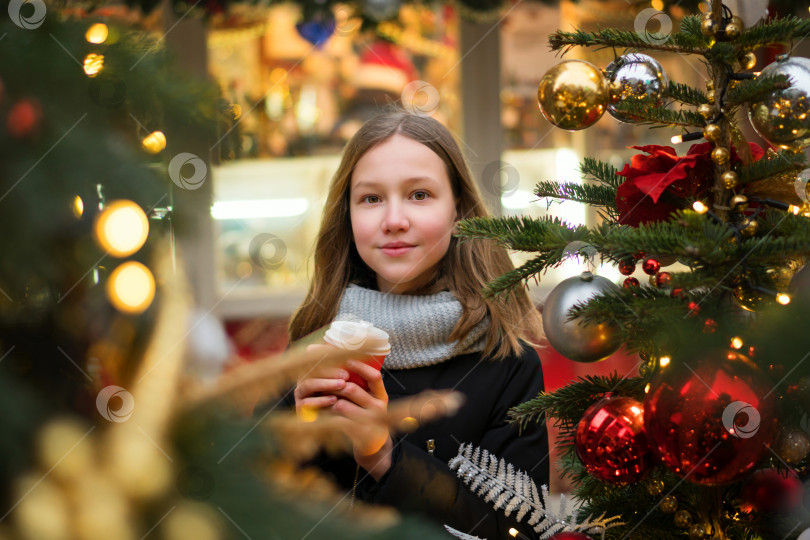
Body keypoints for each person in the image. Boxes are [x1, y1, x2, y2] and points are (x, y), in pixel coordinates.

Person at [286, 111, 549, 540]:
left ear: (458, 211)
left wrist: (385, 457)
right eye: (371, 199)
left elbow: (521, 529)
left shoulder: (509, 364)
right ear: (347, 218)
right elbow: (250, 506)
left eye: (420, 194)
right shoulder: (312, 351)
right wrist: (293, 439)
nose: (394, 219)